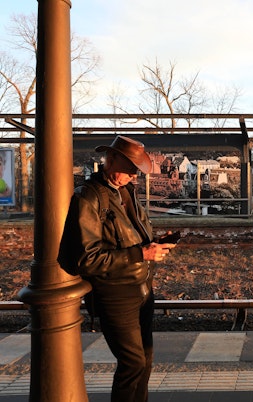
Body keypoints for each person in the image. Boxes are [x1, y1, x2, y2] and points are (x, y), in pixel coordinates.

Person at [58, 135, 176, 402]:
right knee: (133, 362)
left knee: (145, 359)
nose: (131, 176)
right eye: (127, 169)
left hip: (142, 288)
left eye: (135, 170)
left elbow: (135, 235)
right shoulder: (88, 197)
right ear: (109, 160)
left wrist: (156, 243)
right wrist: (141, 253)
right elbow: (86, 259)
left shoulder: (126, 192)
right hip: (115, 294)